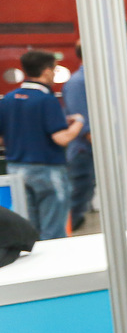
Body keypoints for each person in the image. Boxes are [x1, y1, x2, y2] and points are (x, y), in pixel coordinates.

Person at [0, 50, 84, 239]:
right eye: (54, 70)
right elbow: (61, 138)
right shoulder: (47, 100)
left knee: (29, 229)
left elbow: (3, 137)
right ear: (46, 71)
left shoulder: (8, 99)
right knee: (53, 228)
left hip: (16, 169)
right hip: (47, 170)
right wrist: (79, 122)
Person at [62, 41, 94, 231]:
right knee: (78, 194)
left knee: (84, 193)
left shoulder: (92, 80)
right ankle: (67, 233)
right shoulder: (78, 82)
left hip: (90, 150)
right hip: (84, 151)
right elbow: (82, 122)